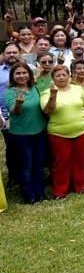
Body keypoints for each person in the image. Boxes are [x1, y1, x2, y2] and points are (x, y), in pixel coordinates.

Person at [41, 65, 84, 199]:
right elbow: (48, 110)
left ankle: (80, 186)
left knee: (80, 160)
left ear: (69, 76)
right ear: (53, 79)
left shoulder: (78, 89)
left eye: (64, 75)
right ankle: (60, 190)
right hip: (58, 133)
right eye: (58, 75)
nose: (61, 77)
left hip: (81, 130)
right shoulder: (46, 93)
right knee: (62, 161)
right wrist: (53, 95)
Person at [3, 62, 47, 203]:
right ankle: (29, 195)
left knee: (38, 163)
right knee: (26, 164)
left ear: (29, 74)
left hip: (39, 131)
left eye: (24, 73)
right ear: (13, 76)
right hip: (21, 135)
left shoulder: (35, 88)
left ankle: (40, 193)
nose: (21, 76)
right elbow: (14, 111)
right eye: (18, 73)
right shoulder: (10, 92)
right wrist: (18, 104)